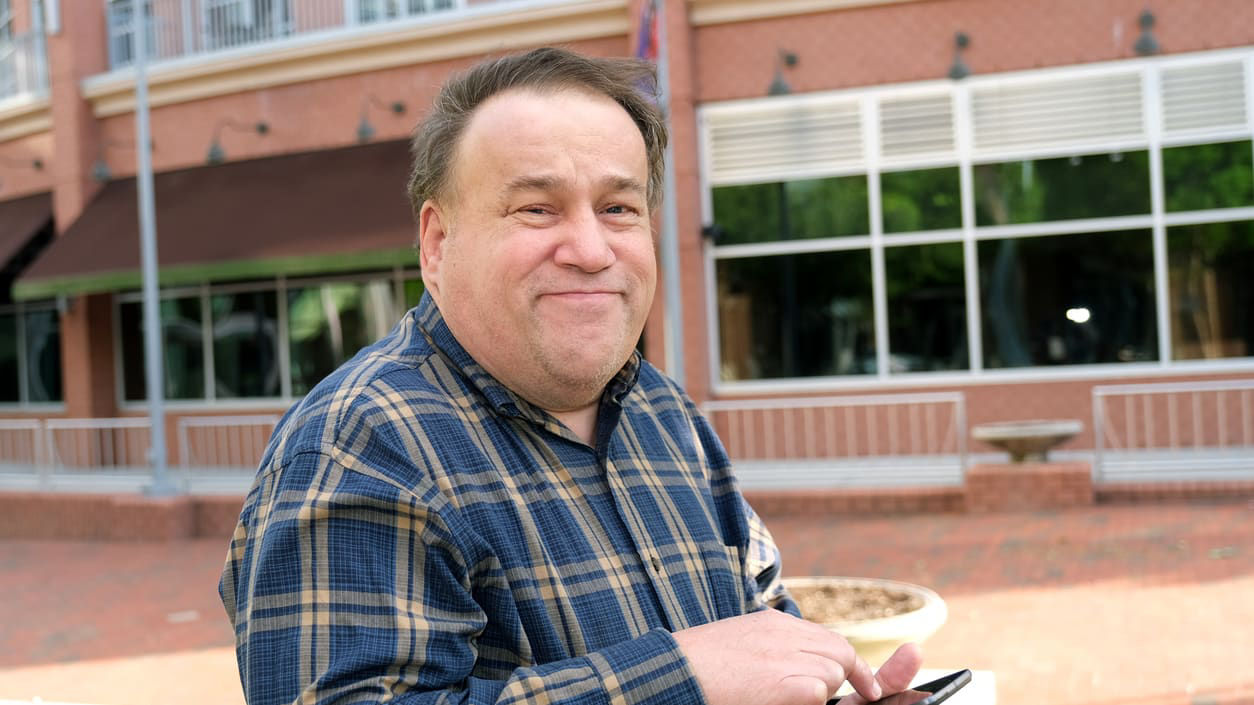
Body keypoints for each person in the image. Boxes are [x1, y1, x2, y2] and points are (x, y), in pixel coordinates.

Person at [220, 46, 923, 705]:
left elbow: (755, 634)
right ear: (437, 245)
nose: (590, 249)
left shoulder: (660, 408)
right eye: (537, 208)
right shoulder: (361, 448)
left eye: (618, 208)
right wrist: (677, 678)